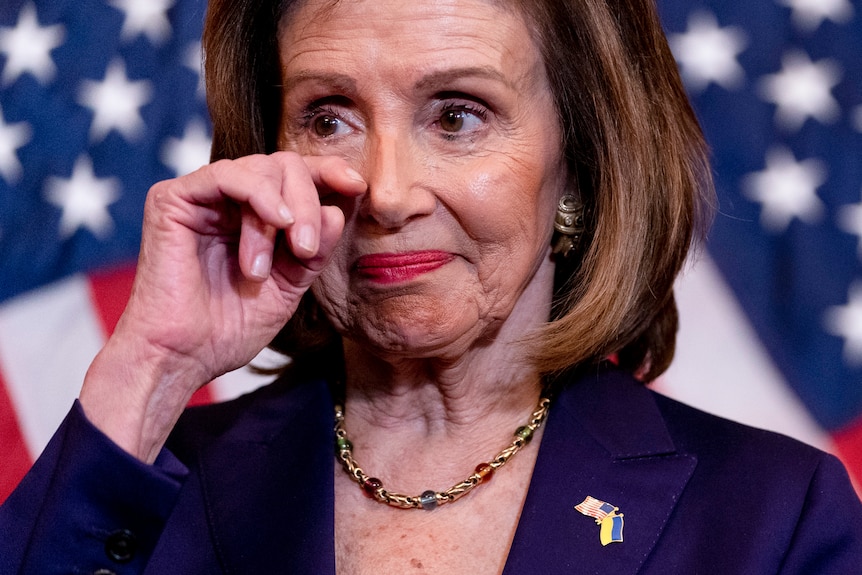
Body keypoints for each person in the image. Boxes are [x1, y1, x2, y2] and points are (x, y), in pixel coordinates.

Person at [2, 0, 861, 572]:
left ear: (579, 164)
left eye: (456, 115)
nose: (387, 190)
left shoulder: (774, 517)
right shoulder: (151, 483)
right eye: (328, 117)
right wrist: (148, 369)